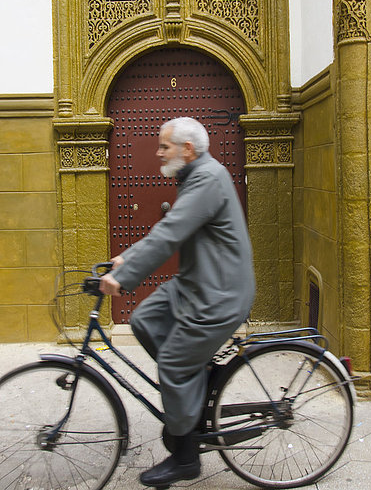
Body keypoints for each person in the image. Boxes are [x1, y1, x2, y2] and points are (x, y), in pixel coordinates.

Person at [100, 117, 256, 487]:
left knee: (172, 360)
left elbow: (170, 234)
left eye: (164, 146)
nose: (158, 152)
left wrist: (121, 278)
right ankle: (196, 379)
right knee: (145, 319)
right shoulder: (194, 175)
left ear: (187, 149)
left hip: (219, 293)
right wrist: (127, 258)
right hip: (197, 282)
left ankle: (186, 459)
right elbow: (167, 232)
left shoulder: (206, 177)